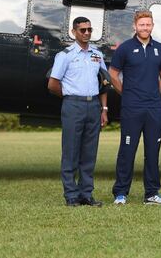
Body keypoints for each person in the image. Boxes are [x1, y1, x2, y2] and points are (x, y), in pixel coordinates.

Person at [109, 10, 161, 205]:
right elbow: (112, 74)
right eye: (142, 24)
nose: (145, 28)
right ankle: (121, 193)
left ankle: (151, 193)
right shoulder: (125, 48)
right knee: (127, 150)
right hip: (131, 107)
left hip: (154, 108)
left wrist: (154, 91)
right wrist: (126, 92)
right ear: (135, 26)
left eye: (148, 24)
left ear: (152, 26)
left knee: (152, 152)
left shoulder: (159, 49)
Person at [48, 16, 108, 207]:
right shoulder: (65, 55)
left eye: (89, 30)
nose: (87, 33)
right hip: (73, 105)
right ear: (74, 32)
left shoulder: (97, 54)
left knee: (89, 153)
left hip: (94, 106)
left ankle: (86, 194)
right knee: (71, 152)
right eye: (83, 30)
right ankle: (71, 195)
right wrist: (69, 97)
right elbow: (53, 84)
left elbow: (104, 84)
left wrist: (104, 109)